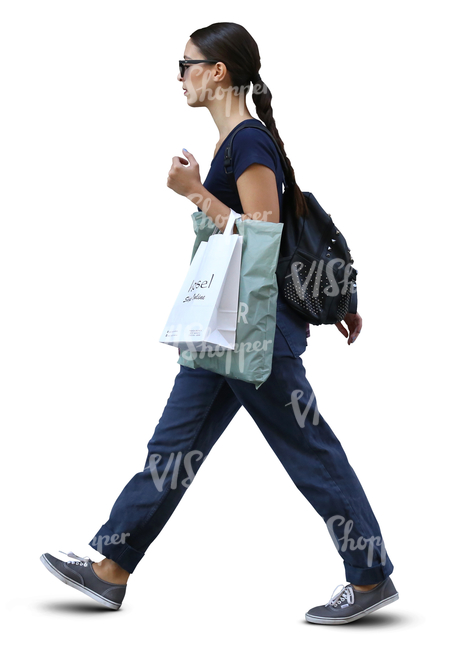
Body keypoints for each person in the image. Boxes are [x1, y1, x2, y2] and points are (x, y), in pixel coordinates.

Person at [40, 22, 399, 624]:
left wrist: (193, 194)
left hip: (257, 335)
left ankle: (369, 578)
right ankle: (111, 569)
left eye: (185, 64)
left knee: (311, 450)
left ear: (218, 72)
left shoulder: (249, 143)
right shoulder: (235, 143)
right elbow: (277, 228)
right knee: (173, 450)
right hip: (220, 329)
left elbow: (263, 237)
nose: (180, 75)